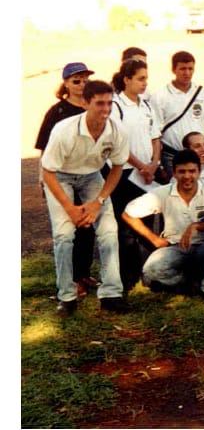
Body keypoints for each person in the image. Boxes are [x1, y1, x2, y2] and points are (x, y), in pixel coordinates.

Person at [41, 79, 130, 315]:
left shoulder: (117, 130)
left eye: (109, 103)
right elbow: (47, 172)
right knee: (64, 234)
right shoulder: (64, 130)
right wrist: (70, 208)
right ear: (84, 103)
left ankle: (111, 293)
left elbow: (117, 168)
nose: (106, 109)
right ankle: (66, 296)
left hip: (92, 176)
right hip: (60, 176)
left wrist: (97, 203)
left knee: (108, 230)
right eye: (99, 103)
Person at [123, 149, 204, 301]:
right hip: (176, 248)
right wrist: (154, 238)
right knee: (151, 270)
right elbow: (128, 214)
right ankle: (189, 281)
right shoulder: (162, 193)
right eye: (182, 172)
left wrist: (195, 226)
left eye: (192, 171)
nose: (187, 176)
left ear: (199, 171)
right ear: (174, 173)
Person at [36, 62, 98, 295]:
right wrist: (43, 178)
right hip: (63, 176)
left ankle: (83, 273)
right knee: (68, 229)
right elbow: (45, 148)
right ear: (66, 84)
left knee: (88, 226)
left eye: (85, 80)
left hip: (89, 175)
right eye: (76, 81)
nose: (82, 85)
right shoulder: (57, 112)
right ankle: (70, 280)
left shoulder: (93, 107)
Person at [110, 59, 162, 293]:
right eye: (140, 79)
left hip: (147, 174)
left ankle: (149, 273)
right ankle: (127, 276)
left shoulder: (147, 105)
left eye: (146, 79)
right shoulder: (116, 106)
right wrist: (141, 166)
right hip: (125, 174)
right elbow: (118, 144)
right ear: (127, 79)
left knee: (148, 223)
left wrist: (153, 164)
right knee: (126, 227)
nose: (144, 83)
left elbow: (155, 137)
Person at [153, 51, 204, 176]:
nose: (187, 73)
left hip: (198, 156)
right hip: (171, 155)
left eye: (190, 69)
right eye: (182, 69)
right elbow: (155, 133)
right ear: (173, 69)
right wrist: (158, 163)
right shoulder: (160, 96)